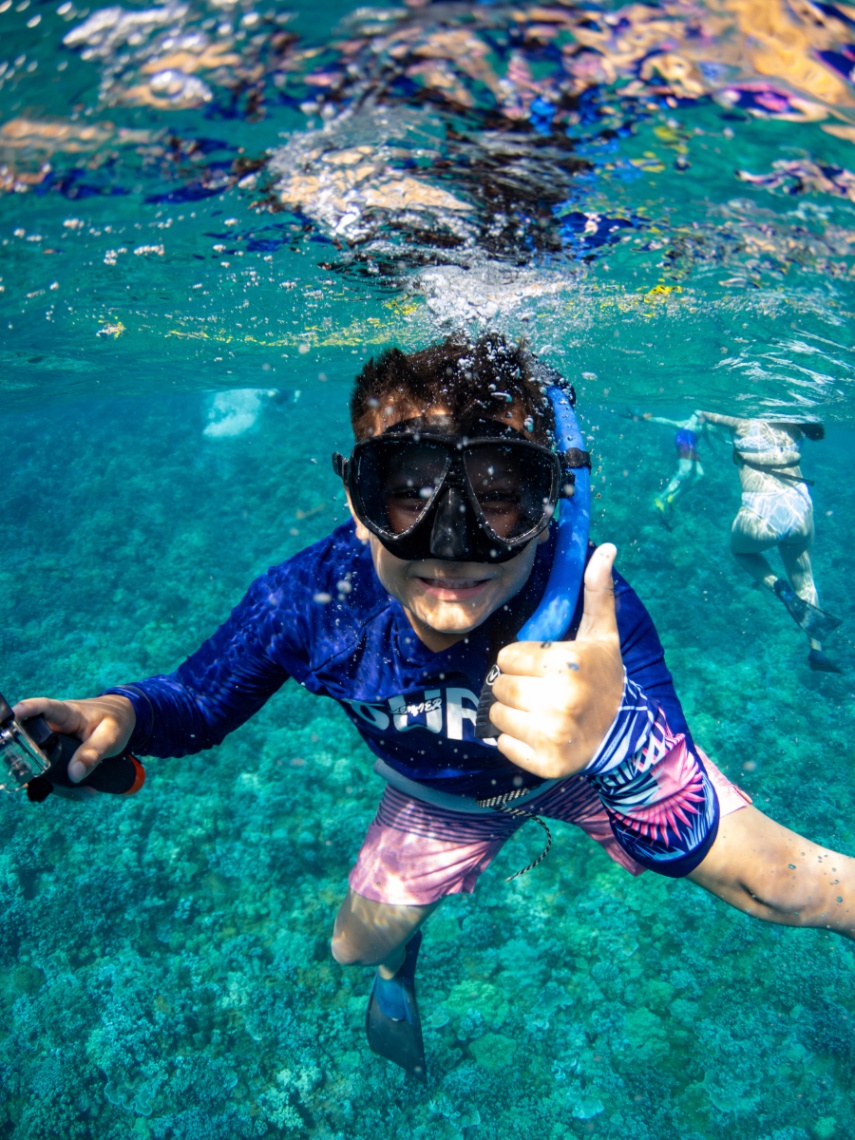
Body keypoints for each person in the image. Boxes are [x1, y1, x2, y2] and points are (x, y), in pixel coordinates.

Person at [14, 336, 855, 1086]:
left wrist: (618, 743)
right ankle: (400, 965)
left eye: (499, 492)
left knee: (790, 889)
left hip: (593, 775)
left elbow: (692, 841)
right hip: (439, 798)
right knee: (356, 947)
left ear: (551, 504)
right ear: (356, 501)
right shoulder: (312, 600)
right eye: (408, 491)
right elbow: (199, 702)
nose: (451, 544)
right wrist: (122, 711)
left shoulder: (596, 615)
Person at [697, 411, 841, 672]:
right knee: (804, 579)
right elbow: (817, 430)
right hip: (800, 507)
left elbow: (704, 412)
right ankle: (817, 650)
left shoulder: (743, 421)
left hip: (762, 510)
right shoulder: (794, 422)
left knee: (739, 551)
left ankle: (777, 587)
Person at [628, 410, 705, 518]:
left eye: (700, 416)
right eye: (696, 415)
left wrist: (724, 442)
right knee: (684, 472)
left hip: (692, 446)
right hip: (684, 441)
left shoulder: (704, 426)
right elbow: (665, 421)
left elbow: (712, 433)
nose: (697, 418)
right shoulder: (685, 424)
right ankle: (659, 499)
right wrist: (644, 418)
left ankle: (674, 497)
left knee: (700, 475)